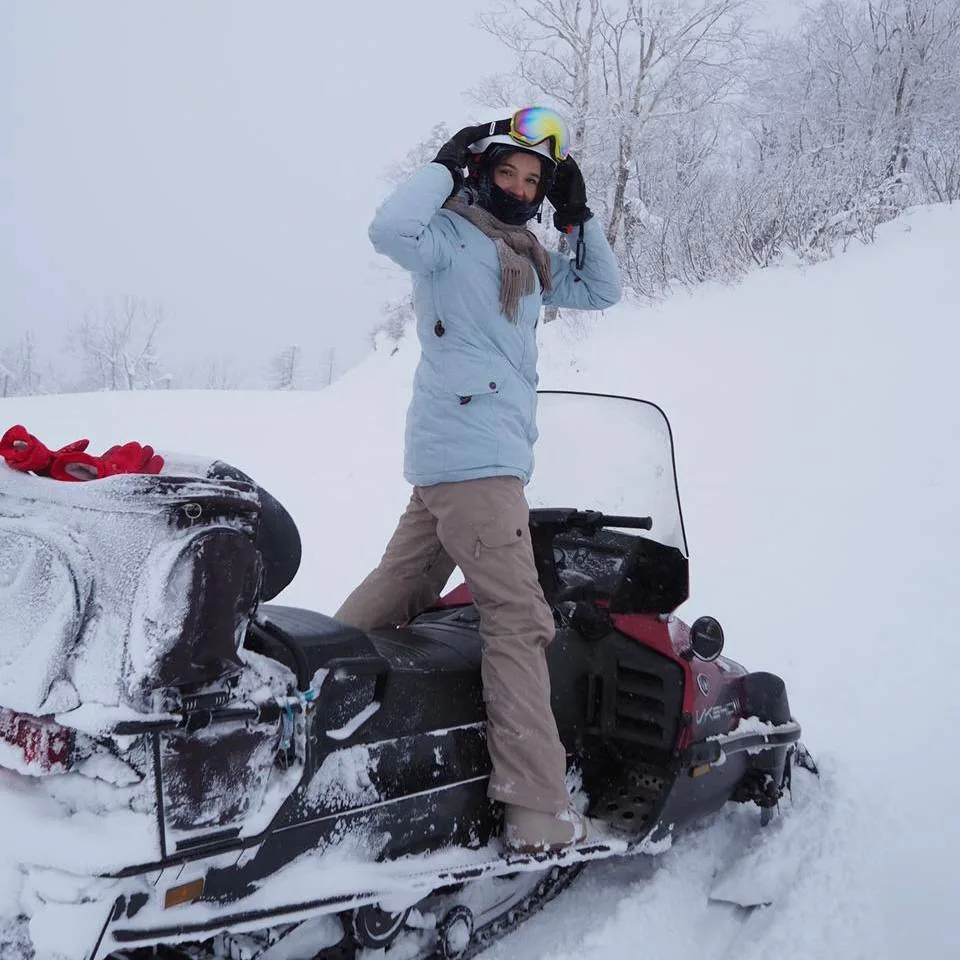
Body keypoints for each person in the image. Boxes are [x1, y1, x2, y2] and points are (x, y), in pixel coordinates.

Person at [336, 107, 621, 852]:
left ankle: (300, 708)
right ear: (481, 171)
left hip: (463, 457)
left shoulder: (524, 257)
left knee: (397, 590)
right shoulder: (449, 239)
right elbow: (387, 230)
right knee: (520, 621)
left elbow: (600, 291)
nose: (522, 189)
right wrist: (443, 162)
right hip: (475, 464)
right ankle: (537, 813)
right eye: (508, 172)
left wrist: (579, 216)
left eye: (536, 181)